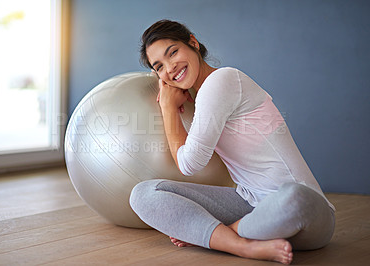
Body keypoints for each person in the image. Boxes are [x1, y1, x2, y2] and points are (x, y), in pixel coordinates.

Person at [129, 19, 335, 265]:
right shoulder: (198, 100)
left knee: (295, 197)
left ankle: (221, 236)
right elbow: (188, 161)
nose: (170, 68)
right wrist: (172, 104)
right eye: (159, 66)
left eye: (173, 52)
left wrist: (167, 108)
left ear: (193, 43)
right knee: (143, 194)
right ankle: (242, 247)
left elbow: (189, 164)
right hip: (249, 205)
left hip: (305, 216)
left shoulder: (222, 80)